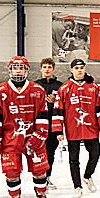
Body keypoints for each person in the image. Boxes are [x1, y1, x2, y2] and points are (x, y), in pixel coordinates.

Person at [0, 56, 56, 198]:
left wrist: (41, 134)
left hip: (33, 137)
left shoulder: (37, 90)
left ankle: (41, 196)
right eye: (15, 68)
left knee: (40, 170)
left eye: (21, 68)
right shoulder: (0, 91)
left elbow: (43, 114)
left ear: (27, 70)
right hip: (9, 139)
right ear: (10, 70)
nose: (18, 71)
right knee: (11, 171)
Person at [53, 59, 100, 198]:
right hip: (73, 130)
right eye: (76, 68)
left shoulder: (93, 87)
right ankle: (77, 186)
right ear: (71, 70)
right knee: (74, 159)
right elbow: (58, 110)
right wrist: (59, 131)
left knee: (95, 155)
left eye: (82, 67)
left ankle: (87, 175)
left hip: (91, 128)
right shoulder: (64, 88)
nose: (79, 70)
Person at [34, 57, 63, 188]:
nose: (47, 69)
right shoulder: (34, 85)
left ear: (53, 69)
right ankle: (38, 176)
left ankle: (47, 177)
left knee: (50, 151)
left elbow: (64, 103)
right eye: (44, 67)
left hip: (53, 124)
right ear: (41, 69)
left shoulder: (60, 86)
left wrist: (56, 99)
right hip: (38, 124)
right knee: (39, 151)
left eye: (49, 67)